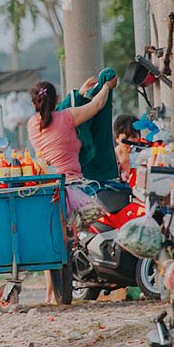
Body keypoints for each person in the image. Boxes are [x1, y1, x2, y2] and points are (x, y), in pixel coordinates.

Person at [27, 76, 115, 304]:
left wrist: (80, 94)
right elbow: (96, 106)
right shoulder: (66, 118)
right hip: (72, 187)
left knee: (54, 237)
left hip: (47, 188)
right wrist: (106, 86)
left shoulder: (31, 125)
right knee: (77, 233)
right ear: (56, 100)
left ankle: (50, 292)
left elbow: (56, 112)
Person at [113, 114, 141, 183]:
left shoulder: (143, 157)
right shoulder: (111, 158)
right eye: (125, 139)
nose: (130, 142)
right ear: (117, 138)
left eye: (134, 137)